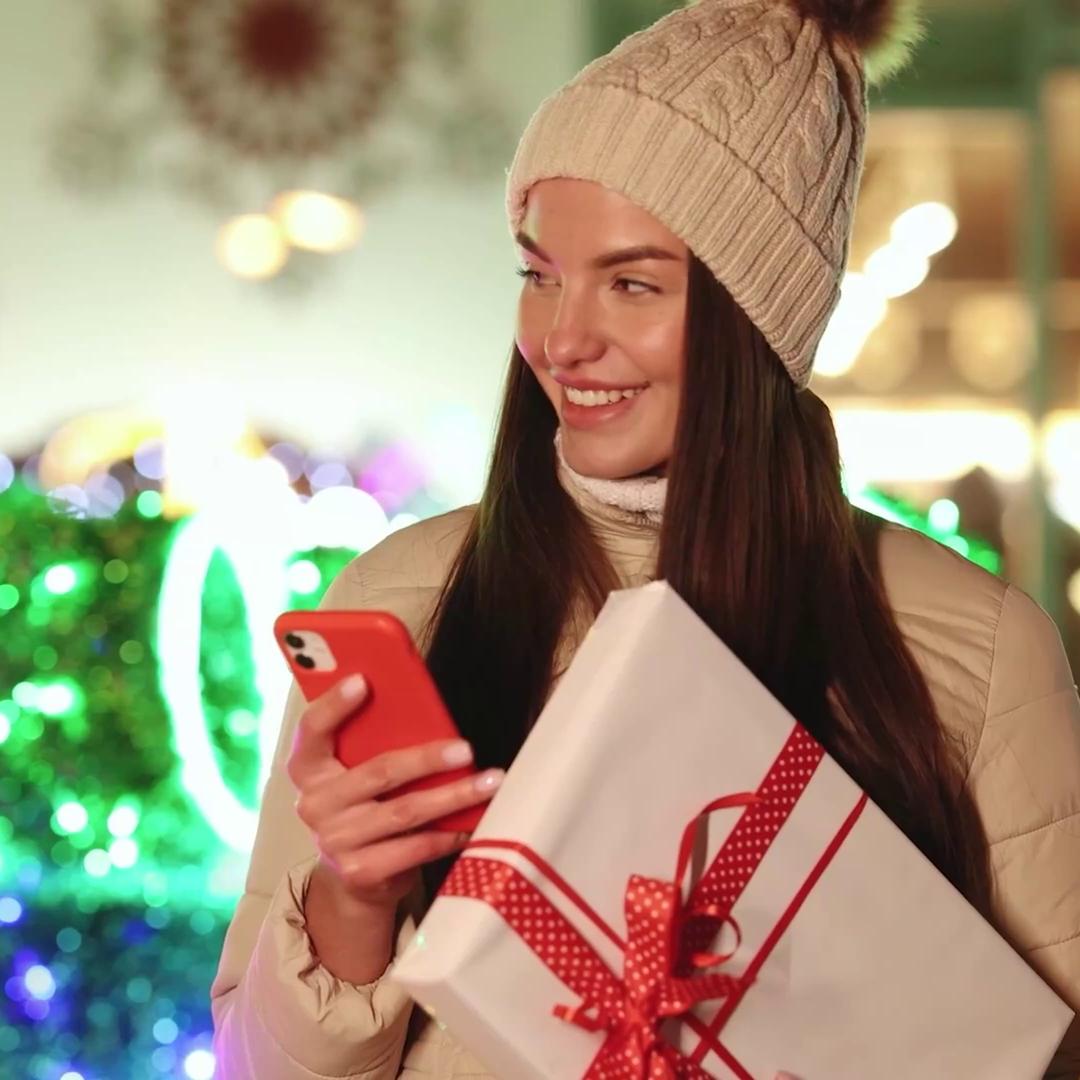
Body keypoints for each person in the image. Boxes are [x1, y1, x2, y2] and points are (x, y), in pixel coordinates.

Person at [210, 0, 1080, 1076]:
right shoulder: (402, 597)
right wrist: (355, 902)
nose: (563, 339)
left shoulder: (976, 647)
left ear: (758, 319)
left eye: (631, 284)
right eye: (539, 274)